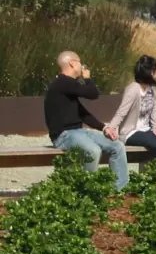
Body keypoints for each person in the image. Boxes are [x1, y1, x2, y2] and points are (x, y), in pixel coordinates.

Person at [44, 51, 129, 190]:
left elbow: (83, 114)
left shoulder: (68, 86)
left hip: (80, 132)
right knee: (93, 151)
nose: (82, 66)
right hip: (64, 135)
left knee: (117, 146)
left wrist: (104, 128)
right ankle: (87, 192)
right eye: (80, 62)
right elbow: (93, 94)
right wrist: (88, 79)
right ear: (72, 63)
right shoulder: (62, 82)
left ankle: (119, 190)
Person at [106, 55, 156, 160]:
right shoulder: (133, 89)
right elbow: (121, 112)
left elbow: (154, 109)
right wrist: (110, 129)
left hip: (146, 129)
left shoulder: (152, 88)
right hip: (131, 132)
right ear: (151, 72)